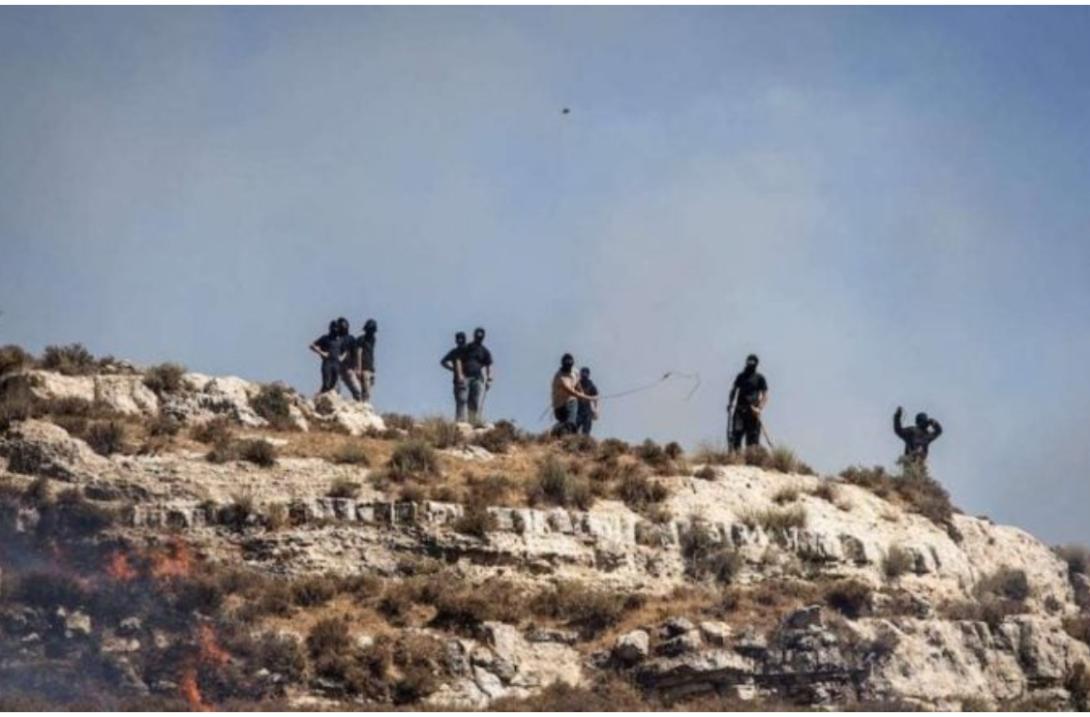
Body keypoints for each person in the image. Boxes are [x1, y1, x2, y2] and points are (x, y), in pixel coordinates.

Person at [309, 317, 361, 400]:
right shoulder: (328, 338)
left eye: (338, 328)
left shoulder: (345, 339)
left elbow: (350, 352)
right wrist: (322, 353)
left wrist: (354, 365)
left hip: (342, 366)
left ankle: (358, 403)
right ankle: (322, 400)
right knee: (330, 386)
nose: (336, 329)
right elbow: (313, 346)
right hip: (331, 364)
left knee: (352, 389)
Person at [727, 354, 768, 451]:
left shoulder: (760, 378)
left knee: (752, 441)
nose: (750, 364)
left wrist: (759, 408)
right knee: (736, 436)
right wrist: (730, 404)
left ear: (756, 364)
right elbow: (733, 390)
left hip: (753, 412)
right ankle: (735, 457)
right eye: (749, 362)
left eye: (752, 363)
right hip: (740, 410)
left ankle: (751, 458)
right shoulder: (741, 377)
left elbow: (765, 396)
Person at [551, 354, 596, 435]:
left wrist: (582, 392)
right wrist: (585, 397)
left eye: (570, 366)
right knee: (573, 403)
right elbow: (571, 392)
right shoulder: (560, 377)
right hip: (559, 406)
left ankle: (562, 431)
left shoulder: (575, 371)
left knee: (570, 424)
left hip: (569, 402)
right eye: (566, 366)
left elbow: (577, 382)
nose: (568, 368)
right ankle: (561, 428)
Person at [461, 327, 493, 425]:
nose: (479, 337)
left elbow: (489, 365)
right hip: (465, 376)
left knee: (474, 401)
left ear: (483, 337)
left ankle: (472, 421)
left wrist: (489, 379)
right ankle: (461, 420)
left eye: (481, 336)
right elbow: (458, 359)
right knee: (463, 398)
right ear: (474, 335)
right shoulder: (467, 347)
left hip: (478, 378)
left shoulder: (485, 351)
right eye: (477, 335)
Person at [440, 331, 469, 421]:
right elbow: (443, 362)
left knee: (463, 401)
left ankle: (464, 420)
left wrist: (452, 369)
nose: (460, 340)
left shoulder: (467, 351)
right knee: (460, 401)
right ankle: (460, 421)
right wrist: (453, 369)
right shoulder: (455, 352)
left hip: (467, 378)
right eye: (458, 339)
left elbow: (443, 362)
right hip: (458, 380)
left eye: (461, 339)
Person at [354, 318, 377, 403]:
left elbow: (371, 353)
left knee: (368, 389)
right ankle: (363, 406)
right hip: (364, 368)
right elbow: (359, 354)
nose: (372, 332)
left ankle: (363, 405)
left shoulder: (373, 339)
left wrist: (373, 369)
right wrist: (359, 369)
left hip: (370, 368)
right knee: (366, 391)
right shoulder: (361, 339)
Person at [575, 366, 599, 436]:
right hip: (577, 410)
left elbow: (596, 397)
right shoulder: (576, 384)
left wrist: (596, 410)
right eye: (583, 373)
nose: (584, 374)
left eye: (586, 373)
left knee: (586, 430)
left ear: (588, 375)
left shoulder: (591, 385)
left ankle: (585, 441)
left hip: (587, 411)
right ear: (580, 374)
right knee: (573, 428)